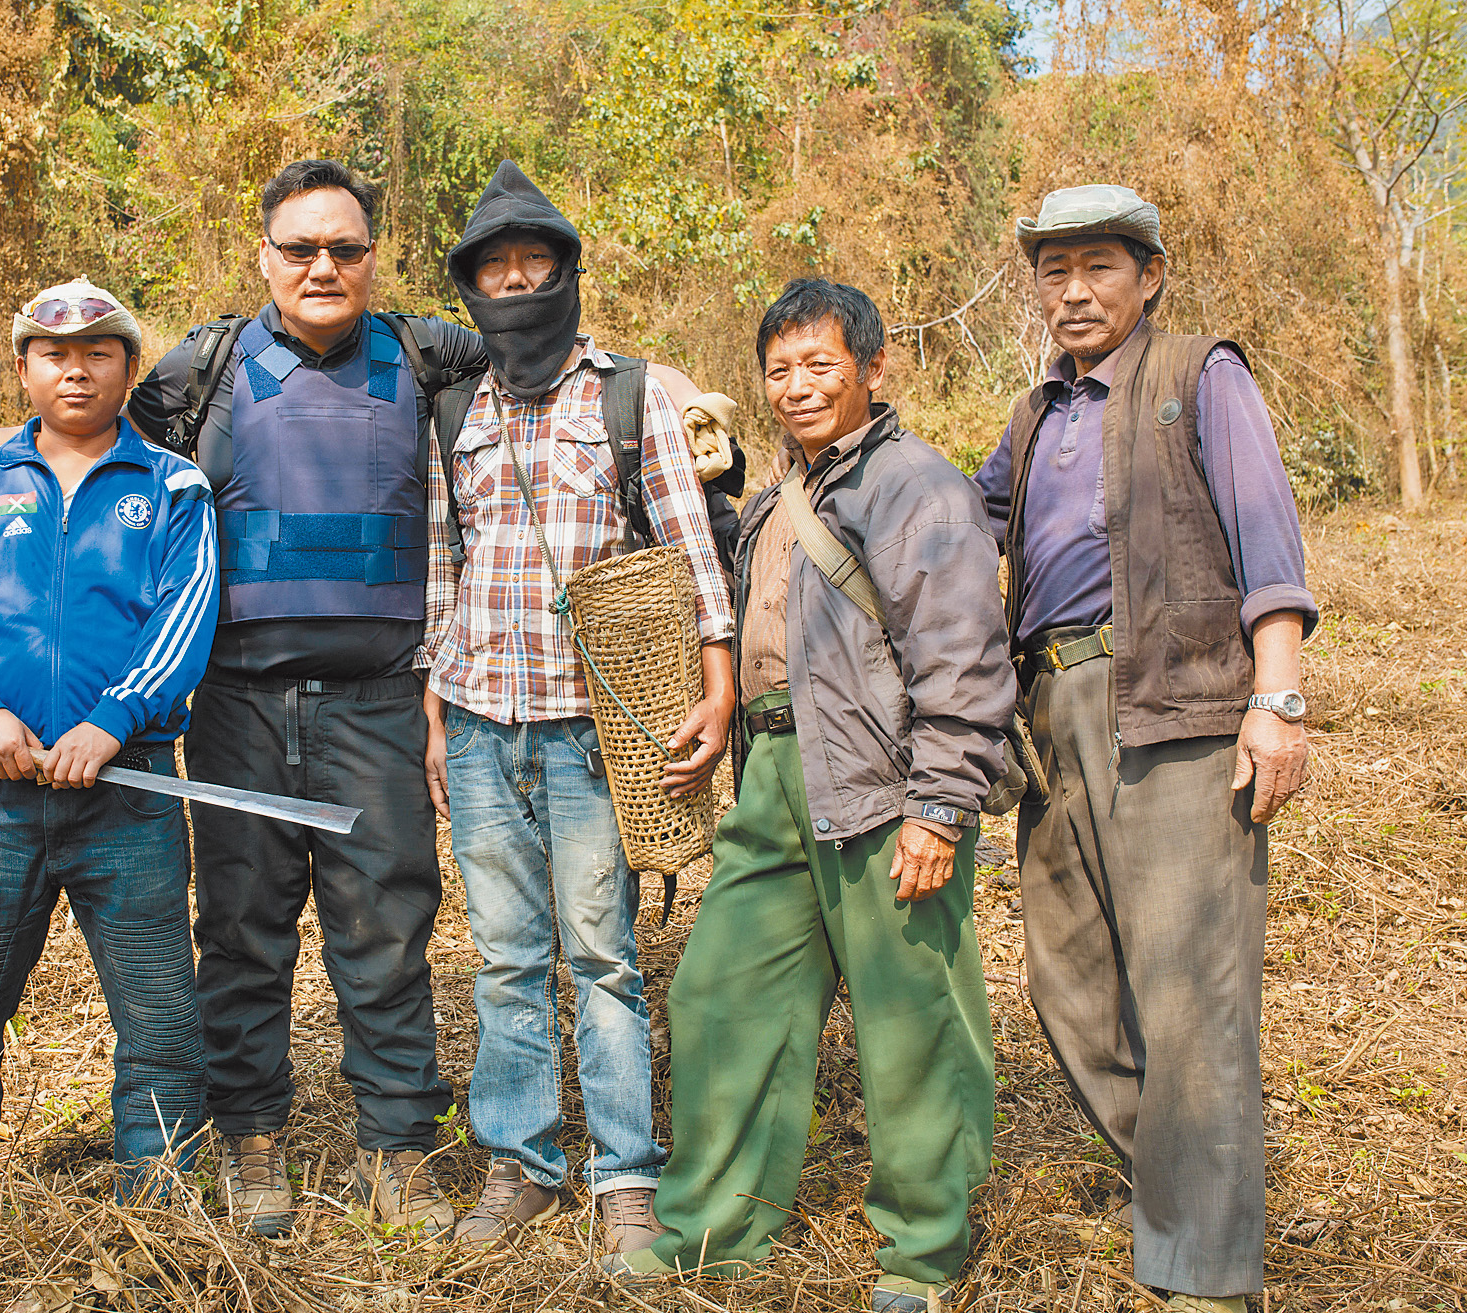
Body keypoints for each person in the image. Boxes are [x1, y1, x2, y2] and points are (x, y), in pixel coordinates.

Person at [0, 161, 478, 1236]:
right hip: (234, 707)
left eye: (344, 248)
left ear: (373, 256)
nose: (322, 265)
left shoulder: (427, 351)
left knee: (387, 927)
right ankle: (251, 1138)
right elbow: (86, 425)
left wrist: (679, 396)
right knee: (240, 927)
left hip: (377, 703)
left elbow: (553, 363)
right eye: (299, 248)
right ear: (264, 257)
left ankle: (401, 1147)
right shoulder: (207, 363)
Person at [604, 278, 1012, 1313]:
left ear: (874, 369)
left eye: (820, 364)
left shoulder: (917, 485)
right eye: (779, 368)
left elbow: (963, 657)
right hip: (778, 776)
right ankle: (714, 1227)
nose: (796, 386)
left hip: (885, 782)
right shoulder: (782, 491)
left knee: (909, 1011)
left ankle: (922, 1250)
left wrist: (938, 805)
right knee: (719, 992)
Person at [973, 185, 1314, 1313]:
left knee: (1190, 996)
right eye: (1053, 269)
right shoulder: (1034, 415)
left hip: (1174, 705)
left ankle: (1208, 1274)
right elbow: (954, 518)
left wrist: (1278, 700)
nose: (1072, 290)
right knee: (1066, 981)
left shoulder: (1195, 376)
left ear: (1149, 274)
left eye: (1098, 267)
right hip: (1054, 713)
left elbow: (1265, 533)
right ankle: (1179, 1189)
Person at [421, 161, 736, 1253]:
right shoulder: (453, 403)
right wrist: (432, 703)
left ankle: (624, 1176)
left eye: (533, 261)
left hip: (588, 727)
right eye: (493, 267)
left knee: (601, 954)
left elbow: (691, 547)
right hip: (474, 720)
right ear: (470, 284)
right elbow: (438, 565)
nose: (514, 281)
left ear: (565, 271)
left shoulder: (628, 390)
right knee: (506, 954)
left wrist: (717, 677)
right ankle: (520, 1161)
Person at [0, 280, 219, 1296]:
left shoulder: (172, 488)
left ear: (128, 368)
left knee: (160, 1018)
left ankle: (158, 1213)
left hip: (129, 795)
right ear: (23, 367)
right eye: (52, 352)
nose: (75, 369)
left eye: (99, 353)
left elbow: (187, 612)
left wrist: (112, 720)